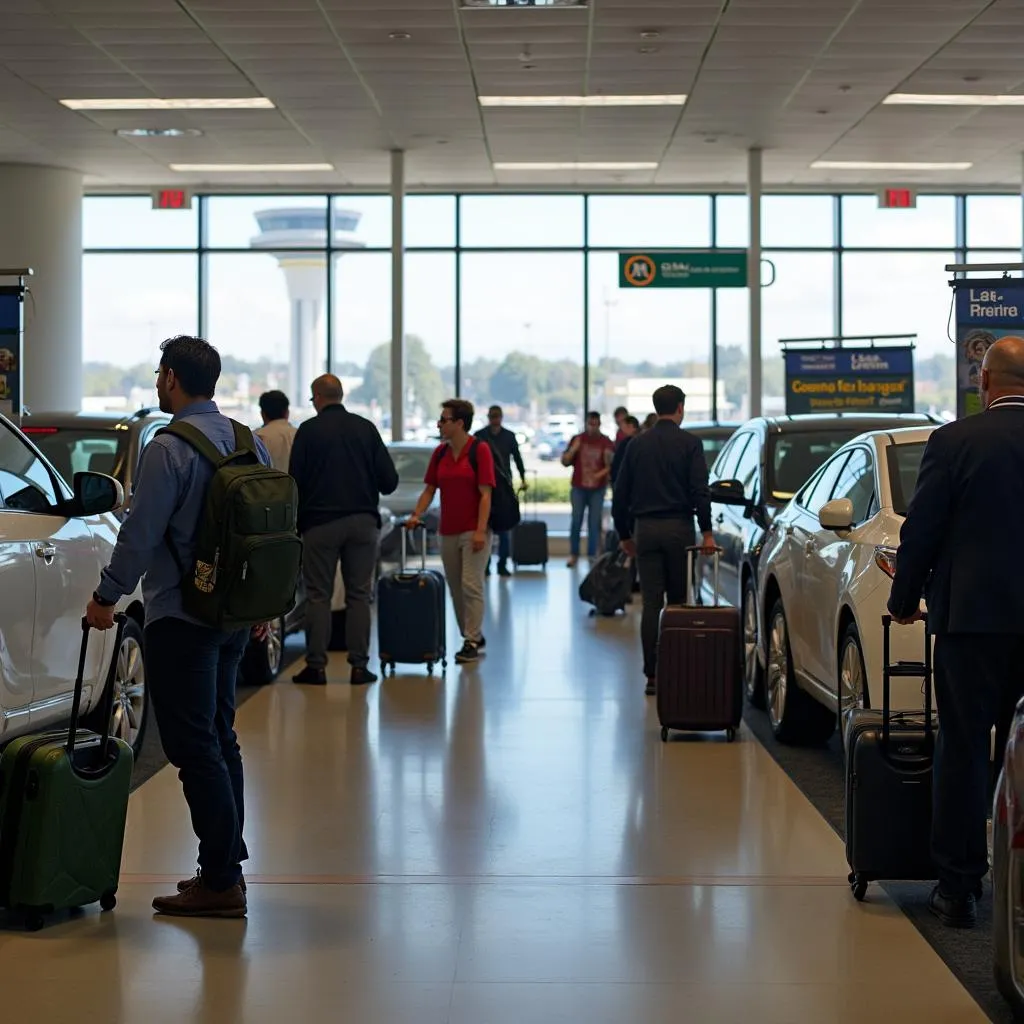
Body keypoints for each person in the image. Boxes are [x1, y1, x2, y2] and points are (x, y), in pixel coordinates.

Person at [85, 335, 271, 919]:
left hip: (182, 616)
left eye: (160, 374)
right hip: (233, 614)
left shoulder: (169, 449)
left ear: (171, 378)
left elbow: (139, 534)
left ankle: (219, 880)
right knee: (221, 737)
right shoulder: (248, 441)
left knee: (193, 746)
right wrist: (262, 604)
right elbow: (265, 532)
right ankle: (225, 865)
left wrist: (105, 597)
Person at [888, 335, 1024, 929]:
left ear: (985, 383)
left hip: (971, 624)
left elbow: (923, 531)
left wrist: (903, 598)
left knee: (965, 749)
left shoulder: (954, 441)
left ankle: (960, 888)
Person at [289, 374, 398, 687]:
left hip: (320, 526)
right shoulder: (366, 428)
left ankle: (316, 667)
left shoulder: (309, 431)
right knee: (360, 595)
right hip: (363, 524)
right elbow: (389, 482)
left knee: (318, 596)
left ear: (318, 397)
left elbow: (294, 481)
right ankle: (360, 667)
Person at [612, 385, 714, 696]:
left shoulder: (637, 445)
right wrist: (707, 531)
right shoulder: (690, 444)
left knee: (651, 604)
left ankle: (652, 675)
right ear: (680, 408)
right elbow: (700, 491)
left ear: (656, 409)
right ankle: (677, 667)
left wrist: (625, 535)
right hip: (679, 530)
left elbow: (620, 494)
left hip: (646, 530)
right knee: (679, 603)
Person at [408, 399, 495, 664]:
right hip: (447, 531)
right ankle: (472, 635)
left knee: (471, 584)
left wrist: (480, 530)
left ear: (459, 423)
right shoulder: (440, 453)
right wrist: (416, 514)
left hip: (474, 531)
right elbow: (429, 489)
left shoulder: (479, 450)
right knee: (456, 588)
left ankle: (470, 639)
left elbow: (485, 495)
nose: (439, 423)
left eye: (444, 419)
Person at [474, 404, 527, 577]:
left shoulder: (509, 437)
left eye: (497, 416)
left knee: (504, 528)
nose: (495, 419)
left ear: (501, 417)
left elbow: (517, 459)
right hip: (484, 485)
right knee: (486, 526)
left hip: (503, 487)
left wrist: (523, 478)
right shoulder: (480, 436)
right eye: (492, 416)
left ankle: (502, 563)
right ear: (489, 417)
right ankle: (486, 564)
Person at [561, 411, 615, 568]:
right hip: (579, 487)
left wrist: (599, 474)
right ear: (586, 423)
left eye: (595, 424)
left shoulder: (605, 441)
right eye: (590, 424)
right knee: (576, 521)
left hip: (597, 488)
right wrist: (573, 449)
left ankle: (592, 555)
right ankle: (574, 554)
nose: (592, 427)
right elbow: (564, 461)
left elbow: (611, 465)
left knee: (594, 523)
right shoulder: (578, 439)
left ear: (599, 424)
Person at [254, 389, 297, 472]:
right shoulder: (300, 434)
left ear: (263, 414)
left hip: (266, 484)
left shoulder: (256, 437)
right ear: (287, 412)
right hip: (295, 484)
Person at [610, 415, 640, 487]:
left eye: (623, 427)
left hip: (627, 481)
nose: (622, 429)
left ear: (630, 426)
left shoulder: (633, 442)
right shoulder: (626, 441)